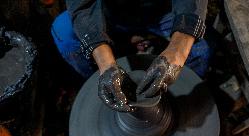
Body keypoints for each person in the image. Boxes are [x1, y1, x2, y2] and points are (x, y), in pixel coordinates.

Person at [51, 0, 210, 112]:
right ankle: (103, 88)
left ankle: (177, 101)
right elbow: (82, 5)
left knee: (200, 50)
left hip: (165, 11)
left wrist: (178, 51)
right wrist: (106, 65)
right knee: (64, 32)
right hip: (109, 13)